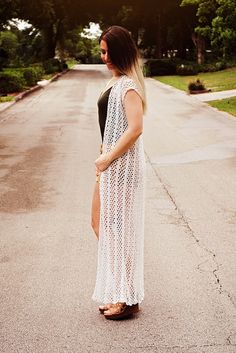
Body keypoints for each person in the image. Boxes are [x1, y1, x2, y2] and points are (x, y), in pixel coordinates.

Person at [91, 25, 146, 320]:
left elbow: (136, 128)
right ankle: (126, 291)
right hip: (108, 164)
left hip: (120, 166)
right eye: (102, 51)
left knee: (114, 229)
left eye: (110, 52)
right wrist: (102, 158)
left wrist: (108, 157)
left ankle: (125, 297)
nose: (105, 57)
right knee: (100, 224)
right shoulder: (114, 83)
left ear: (123, 52)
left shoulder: (128, 86)